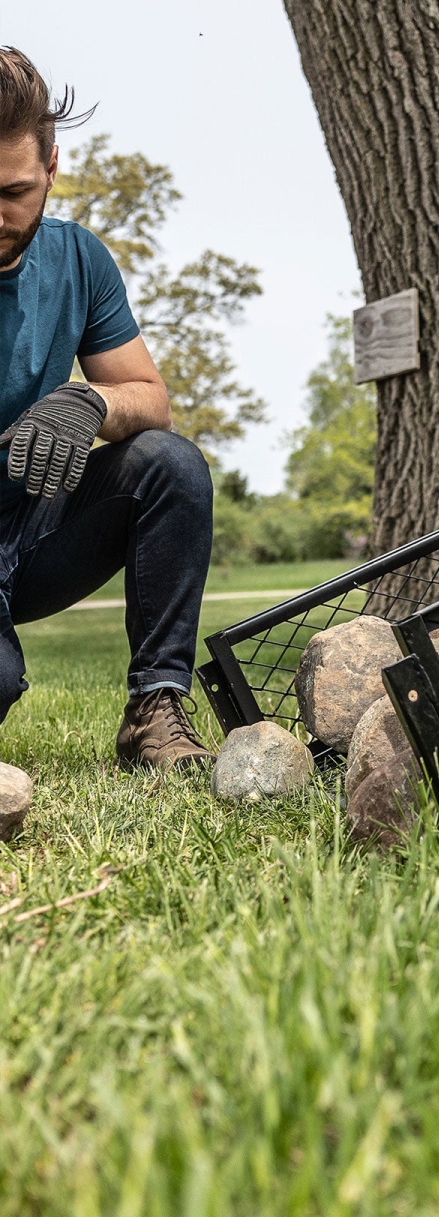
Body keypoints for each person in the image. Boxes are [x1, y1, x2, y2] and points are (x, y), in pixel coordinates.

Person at [0, 49, 214, 769]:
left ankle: (155, 713)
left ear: (52, 168)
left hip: (32, 529)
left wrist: (91, 400)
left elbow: (152, 401)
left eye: (15, 191)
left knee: (169, 466)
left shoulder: (79, 261)